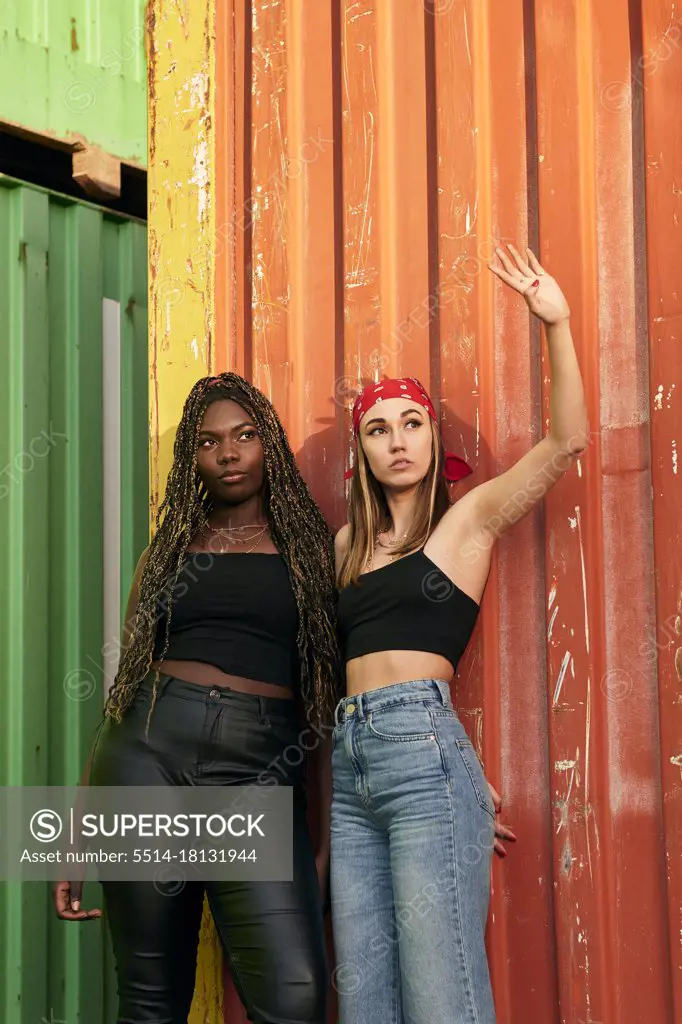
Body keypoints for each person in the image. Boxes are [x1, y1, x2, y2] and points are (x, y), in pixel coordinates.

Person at [330, 245, 587, 1024]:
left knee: (442, 997)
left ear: (433, 438)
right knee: (365, 1002)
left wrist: (557, 324)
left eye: (412, 423)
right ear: (363, 451)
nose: (397, 440)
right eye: (378, 430)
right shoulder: (343, 547)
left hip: (422, 753)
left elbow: (566, 444)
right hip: (347, 769)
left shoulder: (465, 524)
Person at [52, 372, 340, 1024]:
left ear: (269, 443)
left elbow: (322, 704)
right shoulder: (167, 552)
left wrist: (319, 840)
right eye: (210, 443)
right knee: (151, 1002)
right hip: (147, 759)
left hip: (256, 774)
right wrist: (78, 829)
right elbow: (123, 692)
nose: (230, 453)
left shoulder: (310, 552)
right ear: (193, 457)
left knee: (296, 995)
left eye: (244, 436)